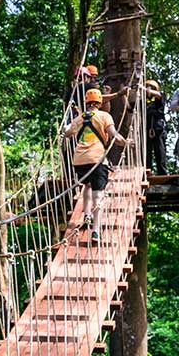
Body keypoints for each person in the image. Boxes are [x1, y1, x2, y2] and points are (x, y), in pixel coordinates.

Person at [64, 88, 129, 243]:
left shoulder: (79, 118)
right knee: (98, 195)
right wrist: (127, 143)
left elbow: (67, 134)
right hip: (96, 160)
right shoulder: (105, 116)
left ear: (86, 102)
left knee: (87, 185)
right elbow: (114, 135)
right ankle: (96, 231)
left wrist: (66, 127)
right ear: (100, 103)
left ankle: (87, 215)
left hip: (79, 161)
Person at [144, 78, 167, 175]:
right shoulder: (142, 102)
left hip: (158, 127)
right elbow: (129, 107)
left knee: (160, 151)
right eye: (147, 87)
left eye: (151, 87)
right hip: (146, 128)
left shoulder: (158, 98)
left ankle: (163, 173)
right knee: (147, 151)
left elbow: (160, 95)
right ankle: (148, 171)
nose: (148, 88)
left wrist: (146, 90)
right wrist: (124, 94)